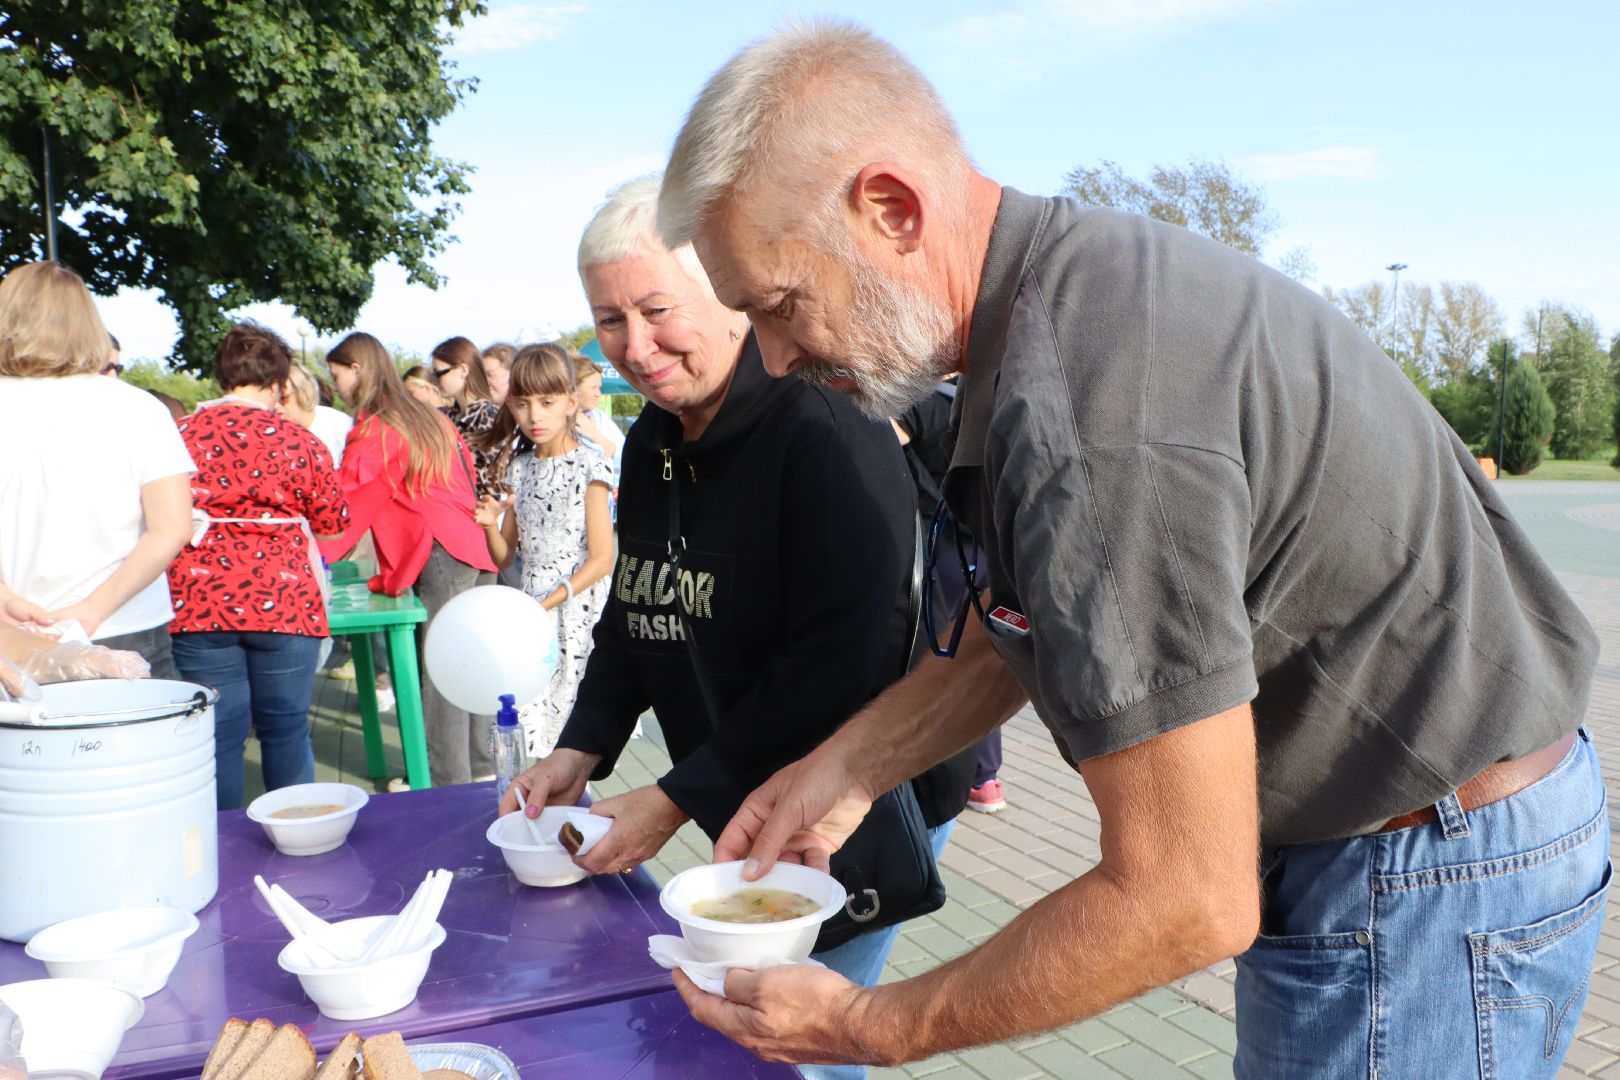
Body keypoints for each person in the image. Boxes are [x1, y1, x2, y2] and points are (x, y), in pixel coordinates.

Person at [655, 23, 1606, 1077]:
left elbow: (1184, 899)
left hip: (1422, 869)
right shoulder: (1051, 299)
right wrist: (842, 771)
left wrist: (865, 1025)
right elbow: (1015, 626)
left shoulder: (1086, 411)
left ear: (891, 209)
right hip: (1413, 834)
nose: (777, 360)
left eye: (781, 307)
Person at [497, 177, 971, 1080]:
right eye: (608, 321)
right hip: (732, 785)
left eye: (657, 309)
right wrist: (582, 748)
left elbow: (843, 663)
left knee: (803, 1037)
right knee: (748, 1030)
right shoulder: (652, 439)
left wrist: (675, 796)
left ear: (725, 291)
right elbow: (641, 607)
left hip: (857, 794)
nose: (636, 346)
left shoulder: (826, 422)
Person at [167, 323, 349, 810]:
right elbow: (332, 522)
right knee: (286, 726)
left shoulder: (178, 436)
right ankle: (298, 838)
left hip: (198, 600)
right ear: (279, 382)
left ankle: (221, 849)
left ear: (223, 374)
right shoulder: (301, 441)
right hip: (286, 601)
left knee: (219, 733)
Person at [318, 332, 498, 785]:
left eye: (336, 373)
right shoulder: (424, 415)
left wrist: (307, 556)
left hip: (440, 551)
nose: (334, 384)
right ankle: (480, 769)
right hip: (474, 545)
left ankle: (444, 783)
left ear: (356, 369)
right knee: (474, 664)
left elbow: (347, 506)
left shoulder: (378, 426)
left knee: (442, 672)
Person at [0, 262, 194, 675]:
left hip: (9, 634)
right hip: (125, 626)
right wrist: (91, 610)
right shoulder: (140, 407)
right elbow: (173, 527)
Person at [472, 345, 615, 757]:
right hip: (532, 609)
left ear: (571, 402)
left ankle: (573, 818)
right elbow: (505, 557)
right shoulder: (520, 467)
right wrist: (488, 527)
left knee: (572, 739)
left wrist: (548, 604)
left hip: (575, 613)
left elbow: (602, 560)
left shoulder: (591, 465)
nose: (535, 416)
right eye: (522, 404)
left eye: (547, 402)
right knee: (529, 731)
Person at [892, 381, 1005, 814]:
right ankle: (986, 777)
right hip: (987, 545)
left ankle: (979, 776)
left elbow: (895, 454)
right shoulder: (984, 400)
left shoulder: (915, 405)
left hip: (945, 549)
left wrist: (928, 505)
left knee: (956, 657)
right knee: (984, 653)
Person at [430, 336, 504, 500]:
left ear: (463, 370)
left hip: (481, 516)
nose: (435, 381)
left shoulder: (489, 416)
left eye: (439, 373)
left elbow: (494, 484)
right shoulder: (445, 416)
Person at [281, 363, 354, 468]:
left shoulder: (341, 426)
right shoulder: (273, 433)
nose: (277, 406)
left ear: (302, 392)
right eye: (273, 399)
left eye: (283, 398)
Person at [571, 354, 625, 482]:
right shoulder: (553, 422)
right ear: (573, 387)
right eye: (593, 388)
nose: (598, 394)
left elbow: (627, 456)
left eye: (599, 388)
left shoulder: (600, 418)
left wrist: (595, 435)